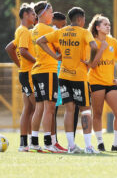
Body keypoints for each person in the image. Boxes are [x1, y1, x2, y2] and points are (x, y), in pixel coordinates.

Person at [37, 7, 103, 154]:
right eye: (84, 19)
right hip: (79, 76)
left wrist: (55, 56)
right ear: (80, 19)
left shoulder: (61, 31)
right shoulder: (84, 32)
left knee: (69, 110)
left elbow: (40, 41)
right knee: (85, 110)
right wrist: (90, 61)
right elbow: (93, 46)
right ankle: (88, 147)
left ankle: (71, 146)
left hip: (63, 76)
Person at [87, 14, 117, 152]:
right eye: (105, 24)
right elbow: (92, 65)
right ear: (97, 27)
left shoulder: (113, 41)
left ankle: (116, 144)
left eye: (109, 24)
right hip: (96, 82)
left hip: (110, 83)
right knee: (98, 113)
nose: (108, 26)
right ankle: (100, 142)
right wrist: (102, 48)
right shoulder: (91, 42)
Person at [29, 1, 61, 153]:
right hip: (47, 70)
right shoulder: (47, 29)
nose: (52, 14)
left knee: (40, 107)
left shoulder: (35, 28)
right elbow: (58, 48)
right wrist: (56, 55)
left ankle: (34, 141)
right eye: (50, 11)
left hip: (37, 70)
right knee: (49, 108)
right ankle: (49, 143)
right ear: (43, 14)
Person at [5, 3, 36, 152]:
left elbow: (9, 48)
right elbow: (22, 51)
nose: (34, 16)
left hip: (25, 72)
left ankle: (25, 144)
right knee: (38, 107)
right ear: (25, 15)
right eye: (32, 14)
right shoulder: (24, 31)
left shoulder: (21, 31)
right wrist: (37, 62)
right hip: (29, 74)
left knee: (28, 109)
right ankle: (32, 142)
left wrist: (20, 65)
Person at [50, 11, 69, 152]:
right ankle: (52, 141)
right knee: (52, 109)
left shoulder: (42, 31)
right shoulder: (54, 33)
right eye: (62, 25)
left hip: (49, 72)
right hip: (54, 72)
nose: (64, 27)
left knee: (48, 109)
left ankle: (35, 141)